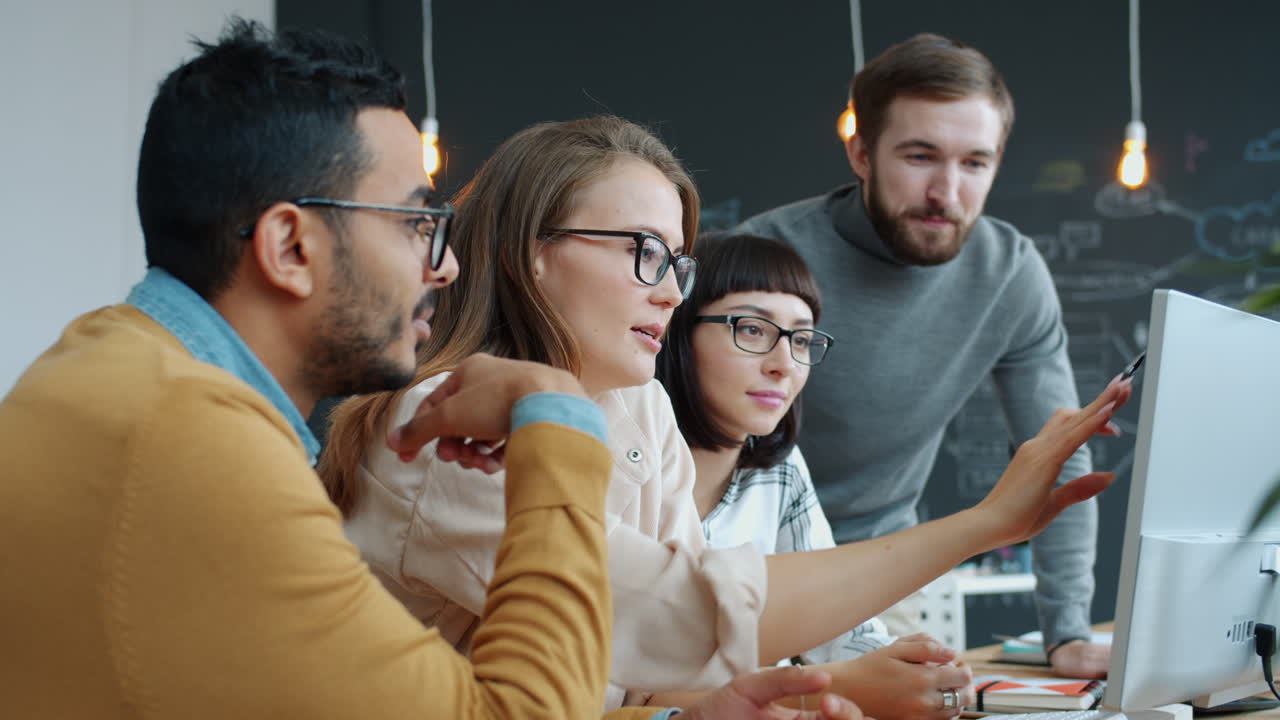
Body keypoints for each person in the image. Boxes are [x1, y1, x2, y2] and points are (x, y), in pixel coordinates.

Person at [0, 19, 862, 720]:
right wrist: (552, 410)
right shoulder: (192, 445)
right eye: (414, 223)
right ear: (291, 246)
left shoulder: (120, 376)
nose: (443, 265)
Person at [321, 115, 1132, 710]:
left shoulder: (638, 408)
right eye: (642, 252)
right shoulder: (444, 424)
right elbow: (677, 613)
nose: (671, 288)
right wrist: (984, 523)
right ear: (529, 251)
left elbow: (654, 676)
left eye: (676, 260)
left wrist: (751, 697)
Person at [737, 32, 1108, 678]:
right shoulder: (761, 257)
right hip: (743, 576)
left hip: (885, 580)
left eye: (975, 164)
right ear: (860, 152)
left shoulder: (1010, 275)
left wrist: (1068, 632)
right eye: (920, 156)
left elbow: (1061, 451)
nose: (947, 191)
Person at [653, 232, 979, 719]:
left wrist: (913, 670)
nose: (784, 365)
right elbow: (634, 685)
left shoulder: (779, 472)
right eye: (752, 329)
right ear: (676, 331)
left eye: (801, 339)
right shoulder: (624, 465)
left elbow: (839, 627)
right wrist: (839, 685)